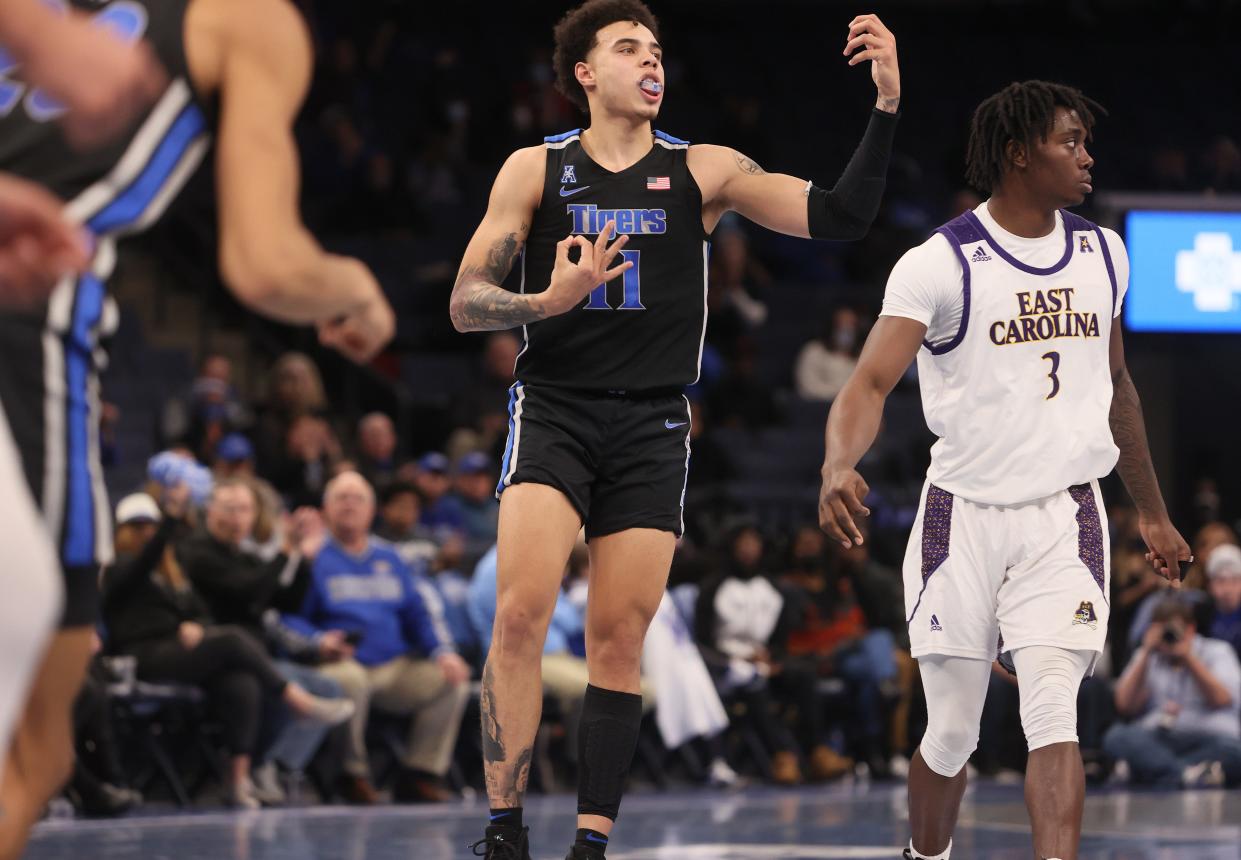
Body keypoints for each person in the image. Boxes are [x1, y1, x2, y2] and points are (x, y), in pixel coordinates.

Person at [449, 2, 901, 856]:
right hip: (554, 406)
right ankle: (503, 832)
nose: (650, 63)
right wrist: (546, 303)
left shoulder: (703, 168)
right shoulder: (533, 170)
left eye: (656, 51)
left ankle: (590, 843)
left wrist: (883, 105)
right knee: (519, 616)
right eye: (628, 49)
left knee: (619, 639)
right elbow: (466, 301)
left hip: (654, 422)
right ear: (585, 73)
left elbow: (840, 216)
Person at [0, 0, 395, 849]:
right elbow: (265, 264)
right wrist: (356, 287)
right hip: (22, 328)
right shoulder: (245, 19)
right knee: (35, 750)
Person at [817, 80, 1190, 860]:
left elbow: (1116, 386)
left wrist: (1151, 512)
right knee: (950, 729)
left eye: (1086, 141)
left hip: (1064, 514)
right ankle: (927, 854)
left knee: (1055, 714)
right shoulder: (940, 263)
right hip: (964, 516)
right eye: (1070, 142)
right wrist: (836, 463)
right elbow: (868, 383)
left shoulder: (1103, 251)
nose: (1086, 156)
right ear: (1019, 155)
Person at [100, 487, 353, 809]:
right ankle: (297, 700)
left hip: (177, 651)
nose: (146, 533)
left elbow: (201, 611)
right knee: (233, 638)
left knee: (241, 681)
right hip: (142, 655)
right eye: (137, 527)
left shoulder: (172, 577)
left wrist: (197, 626)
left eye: (150, 526)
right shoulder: (117, 569)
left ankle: (237, 780)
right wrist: (171, 519)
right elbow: (143, 564)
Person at [284, 472, 472, 805]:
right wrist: (318, 640)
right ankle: (351, 775)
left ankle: (420, 774)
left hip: (392, 667)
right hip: (338, 661)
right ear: (326, 509)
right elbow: (288, 616)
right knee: (351, 680)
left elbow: (418, 614)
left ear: (372, 511)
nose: (350, 505)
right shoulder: (313, 556)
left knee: (451, 679)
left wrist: (442, 652)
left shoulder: (390, 558)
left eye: (358, 498)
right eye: (341, 497)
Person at [1104, 598, 1241, 787]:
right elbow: (1124, 705)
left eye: (1173, 630)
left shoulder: (1217, 651)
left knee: (1234, 750)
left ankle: (1151, 770)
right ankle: (1186, 774)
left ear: (1191, 629)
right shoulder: (1148, 656)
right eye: (1161, 630)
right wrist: (1145, 652)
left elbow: (1222, 699)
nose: (1167, 636)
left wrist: (1188, 658)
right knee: (1117, 737)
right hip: (1159, 737)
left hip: (1209, 736)